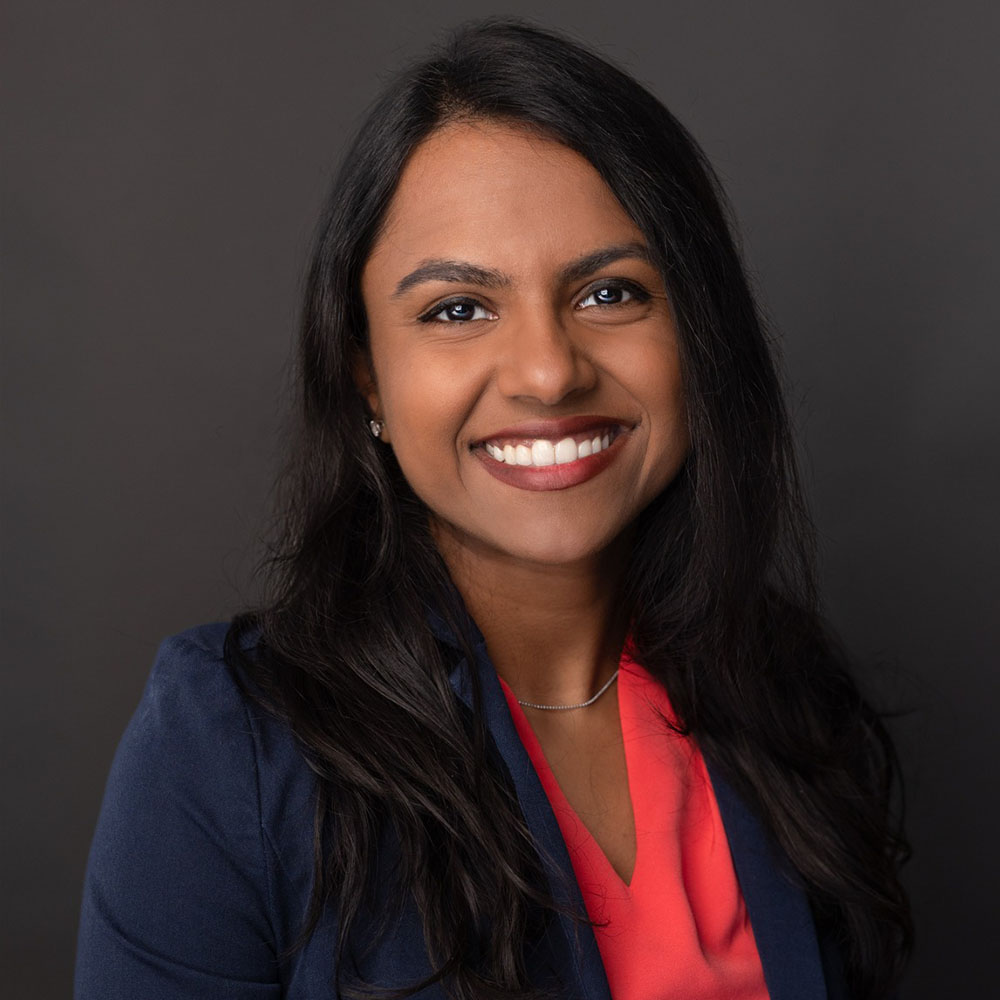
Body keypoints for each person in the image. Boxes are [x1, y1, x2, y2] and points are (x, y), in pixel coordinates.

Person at [74, 18, 912, 1000]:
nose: (548, 372)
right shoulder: (229, 746)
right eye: (458, 310)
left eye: (610, 293)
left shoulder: (785, 696)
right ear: (368, 378)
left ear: (699, 333)